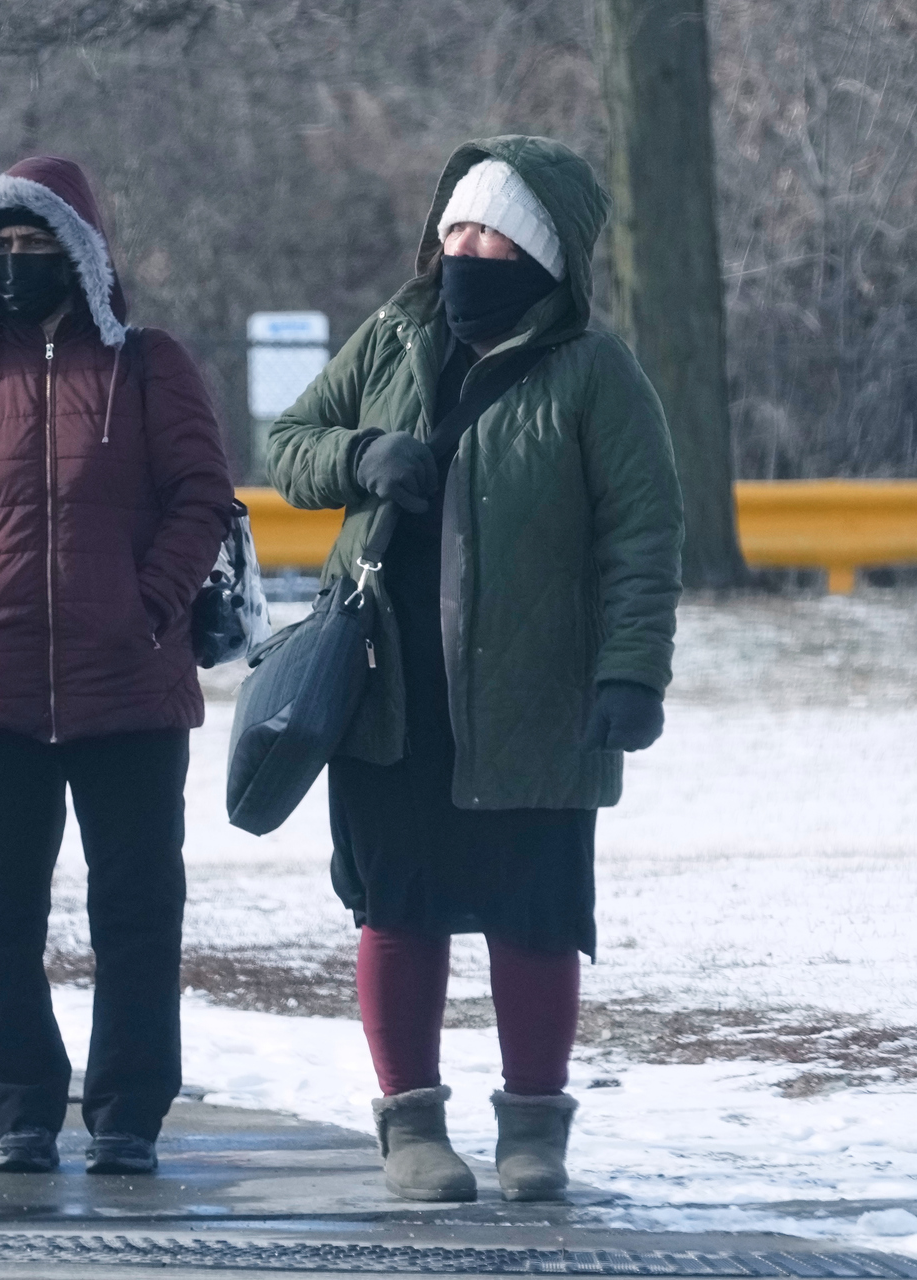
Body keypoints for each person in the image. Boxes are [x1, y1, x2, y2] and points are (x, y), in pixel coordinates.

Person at [264, 137, 683, 1203]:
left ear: (540, 255)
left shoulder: (596, 373)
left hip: (537, 698)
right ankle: (411, 1126)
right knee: (397, 906)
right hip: (389, 691)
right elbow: (288, 443)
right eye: (453, 227)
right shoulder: (394, 336)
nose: (463, 250)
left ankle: (534, 1129)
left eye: (489, 233)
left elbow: (643, 533)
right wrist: (359, 455)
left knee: (534, 914)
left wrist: (633, 673)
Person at [0, 156, 234, 1176]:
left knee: (137, 914)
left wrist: (149, 604)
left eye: (35, 244)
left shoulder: (149, 365)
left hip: (130, 685)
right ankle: (20, 1113)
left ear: (81, 254)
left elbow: (202, 496)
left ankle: (128, 1115)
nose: (16, 263)